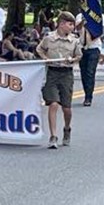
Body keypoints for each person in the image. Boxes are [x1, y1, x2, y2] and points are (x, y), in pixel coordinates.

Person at [36, 11, 81, 149]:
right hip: (53, 72)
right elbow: (39, 49)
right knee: (53, 104)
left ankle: (67, 129)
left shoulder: (74, 40)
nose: (72, 27)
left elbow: (79, 55)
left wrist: (72, 60)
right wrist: (45, 58)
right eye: (70, 24)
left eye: (73, 24)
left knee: (66, 108)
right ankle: (53, 136)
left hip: (66, 74)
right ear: (61, 24)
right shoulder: (49, 38)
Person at [76, 12, 102, 106]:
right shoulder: (79, 16)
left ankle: (88, 97)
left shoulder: (99, 15)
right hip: (82, 47)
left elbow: (99, 32)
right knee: (84, 73)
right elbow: (78, 28)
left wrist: (91, 20)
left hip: (94, 47)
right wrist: (84, 20)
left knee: (90, 72)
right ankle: (86, 92)